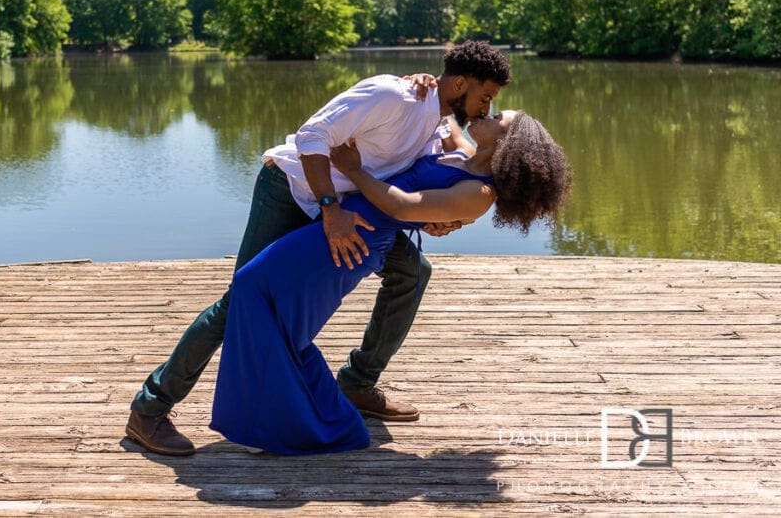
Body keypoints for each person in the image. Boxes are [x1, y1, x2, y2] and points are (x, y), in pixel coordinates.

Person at [127, 42, 512, 456]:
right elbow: (313, 136)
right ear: (458, 83)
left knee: (412, 272)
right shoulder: (392, 96)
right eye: (485, 96)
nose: (486, 109)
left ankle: (357, 384)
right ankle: (148, 411)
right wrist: (330, 211)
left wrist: (442, 219)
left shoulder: (435, 118)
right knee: (241, 300)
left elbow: (448, 171)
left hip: (354, 209)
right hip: (292, 192)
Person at [210, 110, 572, 454]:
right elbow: (446, 117)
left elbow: (401, 207)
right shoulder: (463, 155)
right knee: (259, 294)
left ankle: (287, 424)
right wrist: (425, 82)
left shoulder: (479, 194)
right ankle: (272, 420)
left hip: (357, 240)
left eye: (497, 118)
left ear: (507, 142)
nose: (486, 114)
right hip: (346, 227)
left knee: (260, 293)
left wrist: (353, 170)